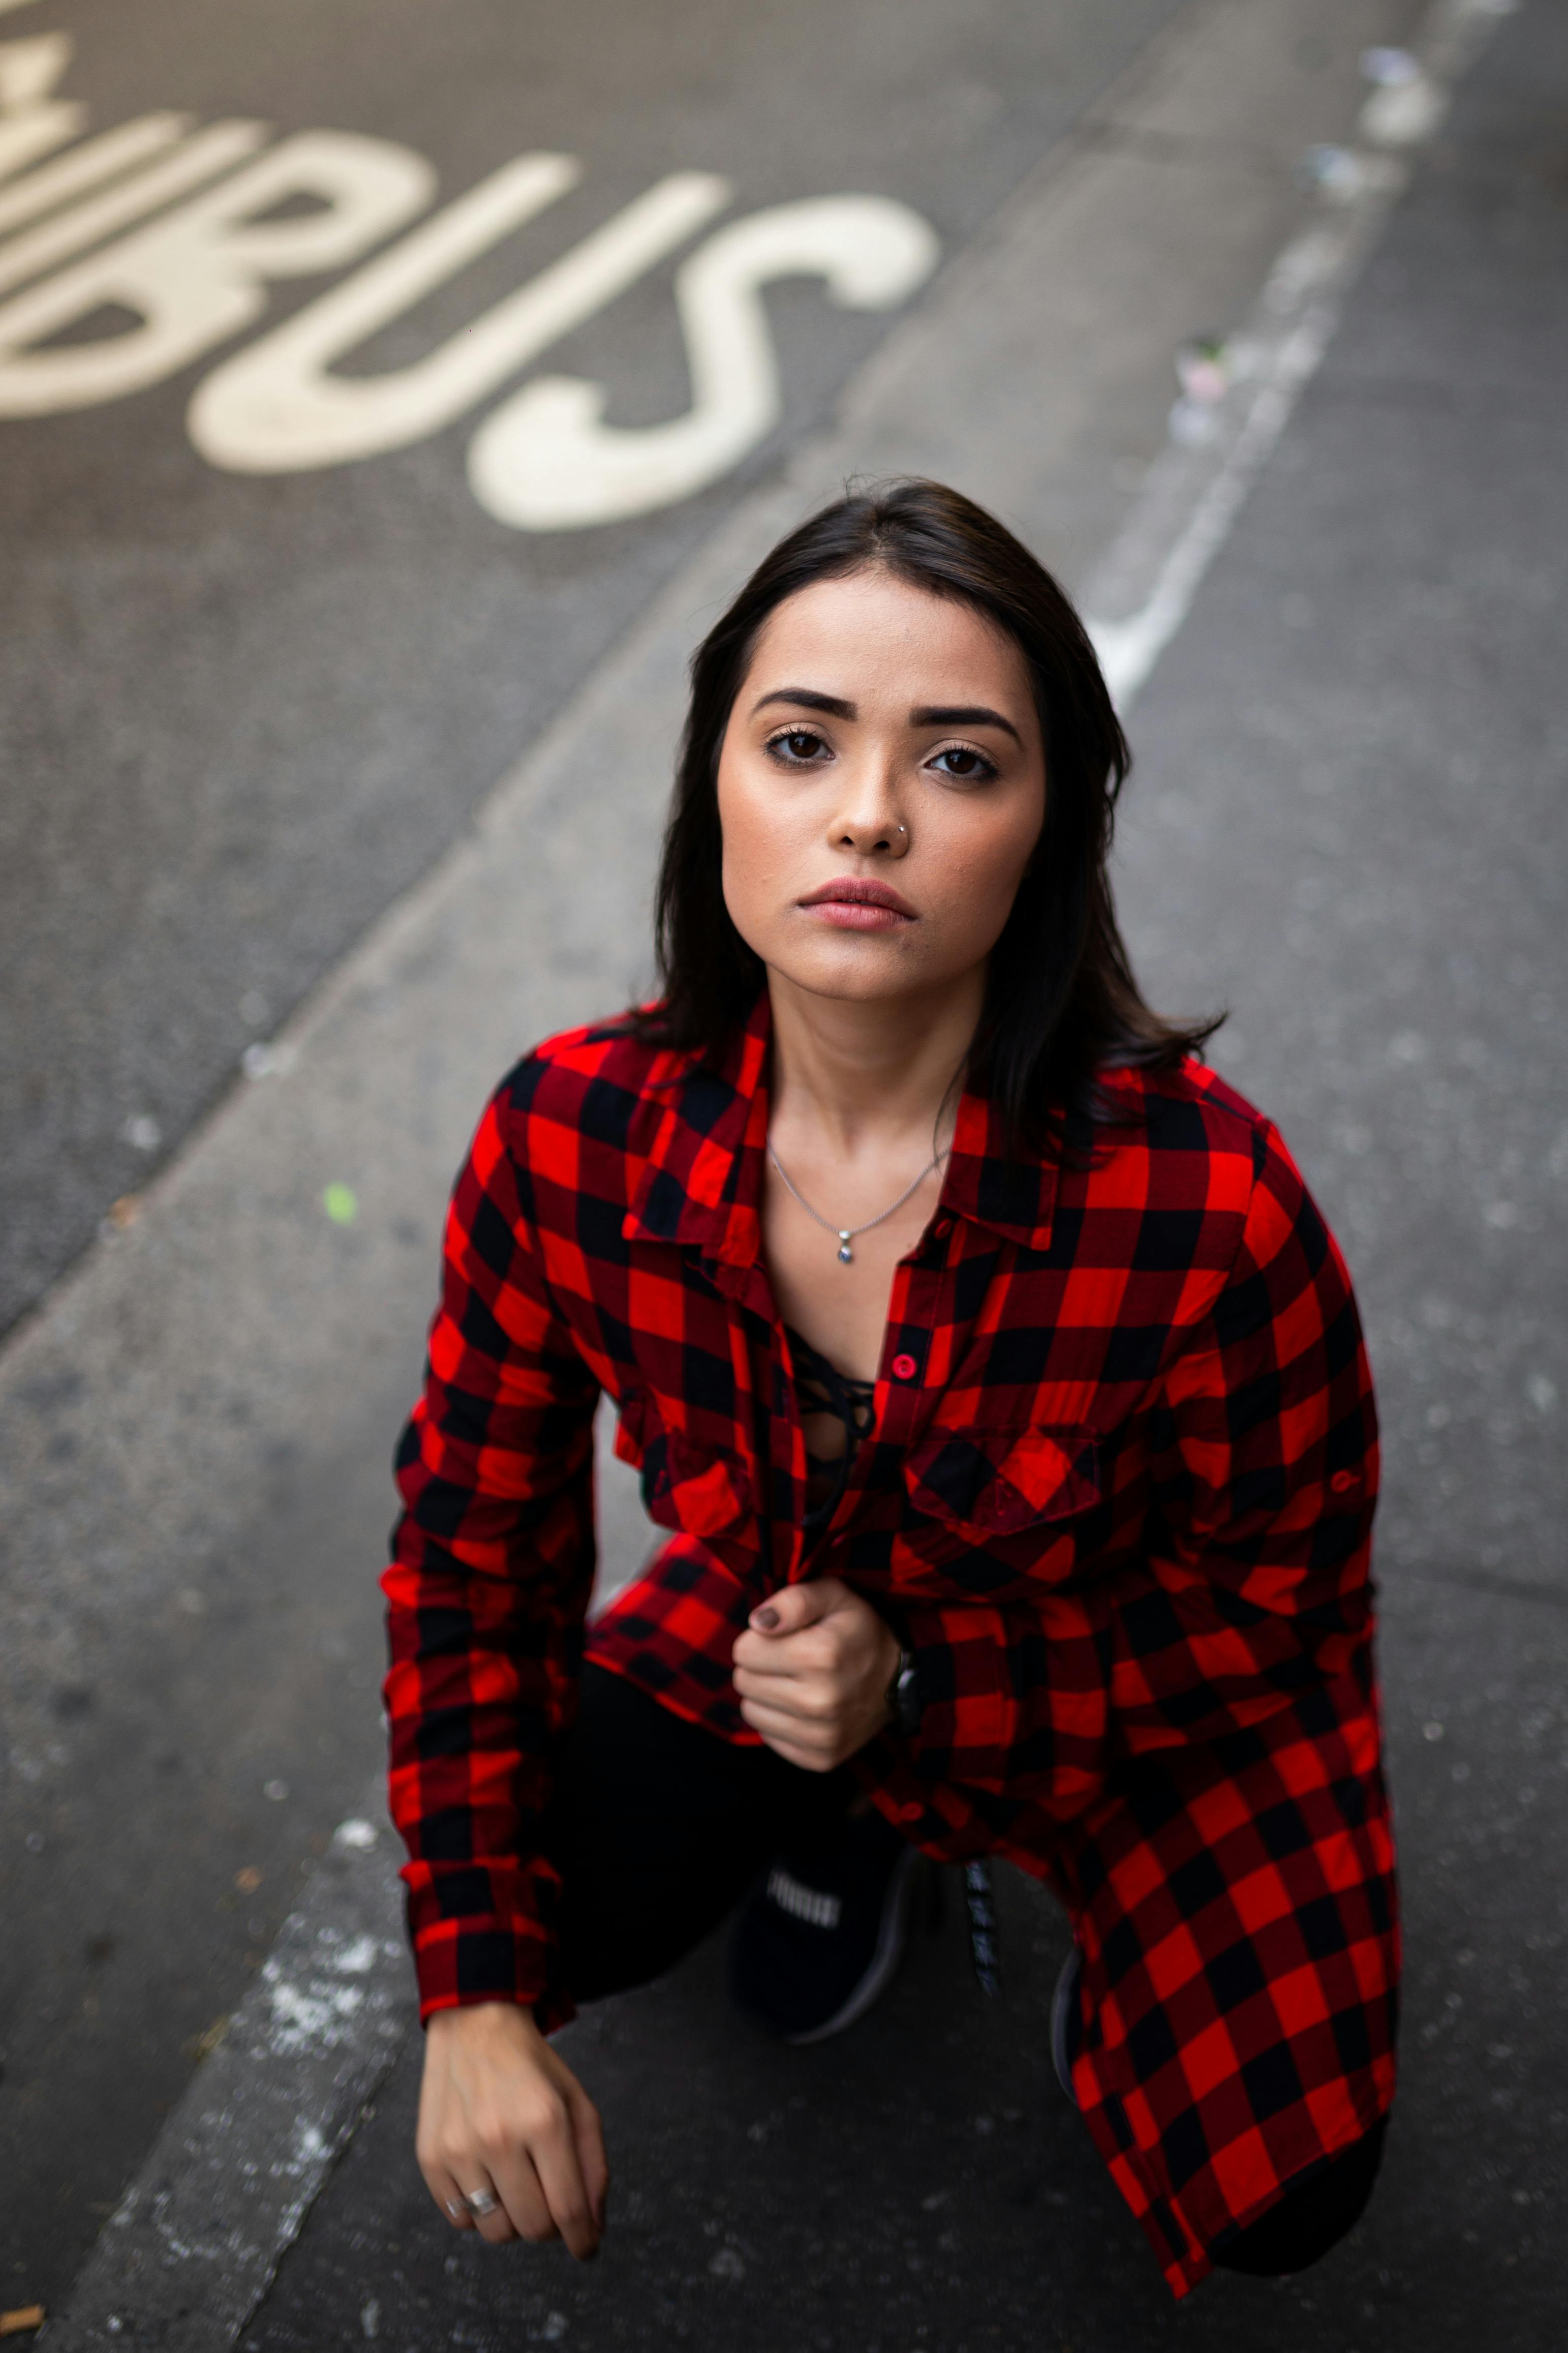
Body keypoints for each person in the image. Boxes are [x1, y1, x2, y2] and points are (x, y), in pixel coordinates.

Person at [383, 479, 1398, 2300]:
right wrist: (467, 1987)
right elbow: (468, 1556)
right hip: (772, 1627)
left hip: (1119, 1675)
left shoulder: (1205, 1204)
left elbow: (1287, 1607)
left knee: (1282, 2175)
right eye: (801, 742)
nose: (866, 812)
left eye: (958, 763)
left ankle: (1002, 1844)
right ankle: (838, 1812)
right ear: (719, 788)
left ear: (1051, 829)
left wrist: (932, 1691)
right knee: (541, 1888)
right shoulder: (569, 1136)